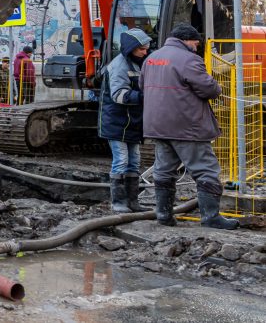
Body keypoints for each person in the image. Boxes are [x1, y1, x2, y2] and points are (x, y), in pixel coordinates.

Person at [141, 23, 239, 230]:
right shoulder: (188, 59)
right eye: (195, 43)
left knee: (164, 170)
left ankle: (164, 214)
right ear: (187, 40)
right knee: (206, 171)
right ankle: (211, 218)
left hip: (158, 125)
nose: (196, 47)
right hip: (186, 126)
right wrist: (217, 86)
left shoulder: (151, 58)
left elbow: (143, 86)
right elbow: (209, 89)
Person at [99, 28, 151, 213]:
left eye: (146, 48)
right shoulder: (120, 66)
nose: (145, 52)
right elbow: (119, 95)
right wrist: (144, 96)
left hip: (132, 122)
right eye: (142, 49)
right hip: (117, 122)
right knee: (121, 160)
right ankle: (119, 202)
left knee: (134, 161)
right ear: (131, 49)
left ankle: (132, 201)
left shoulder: (138, 62)